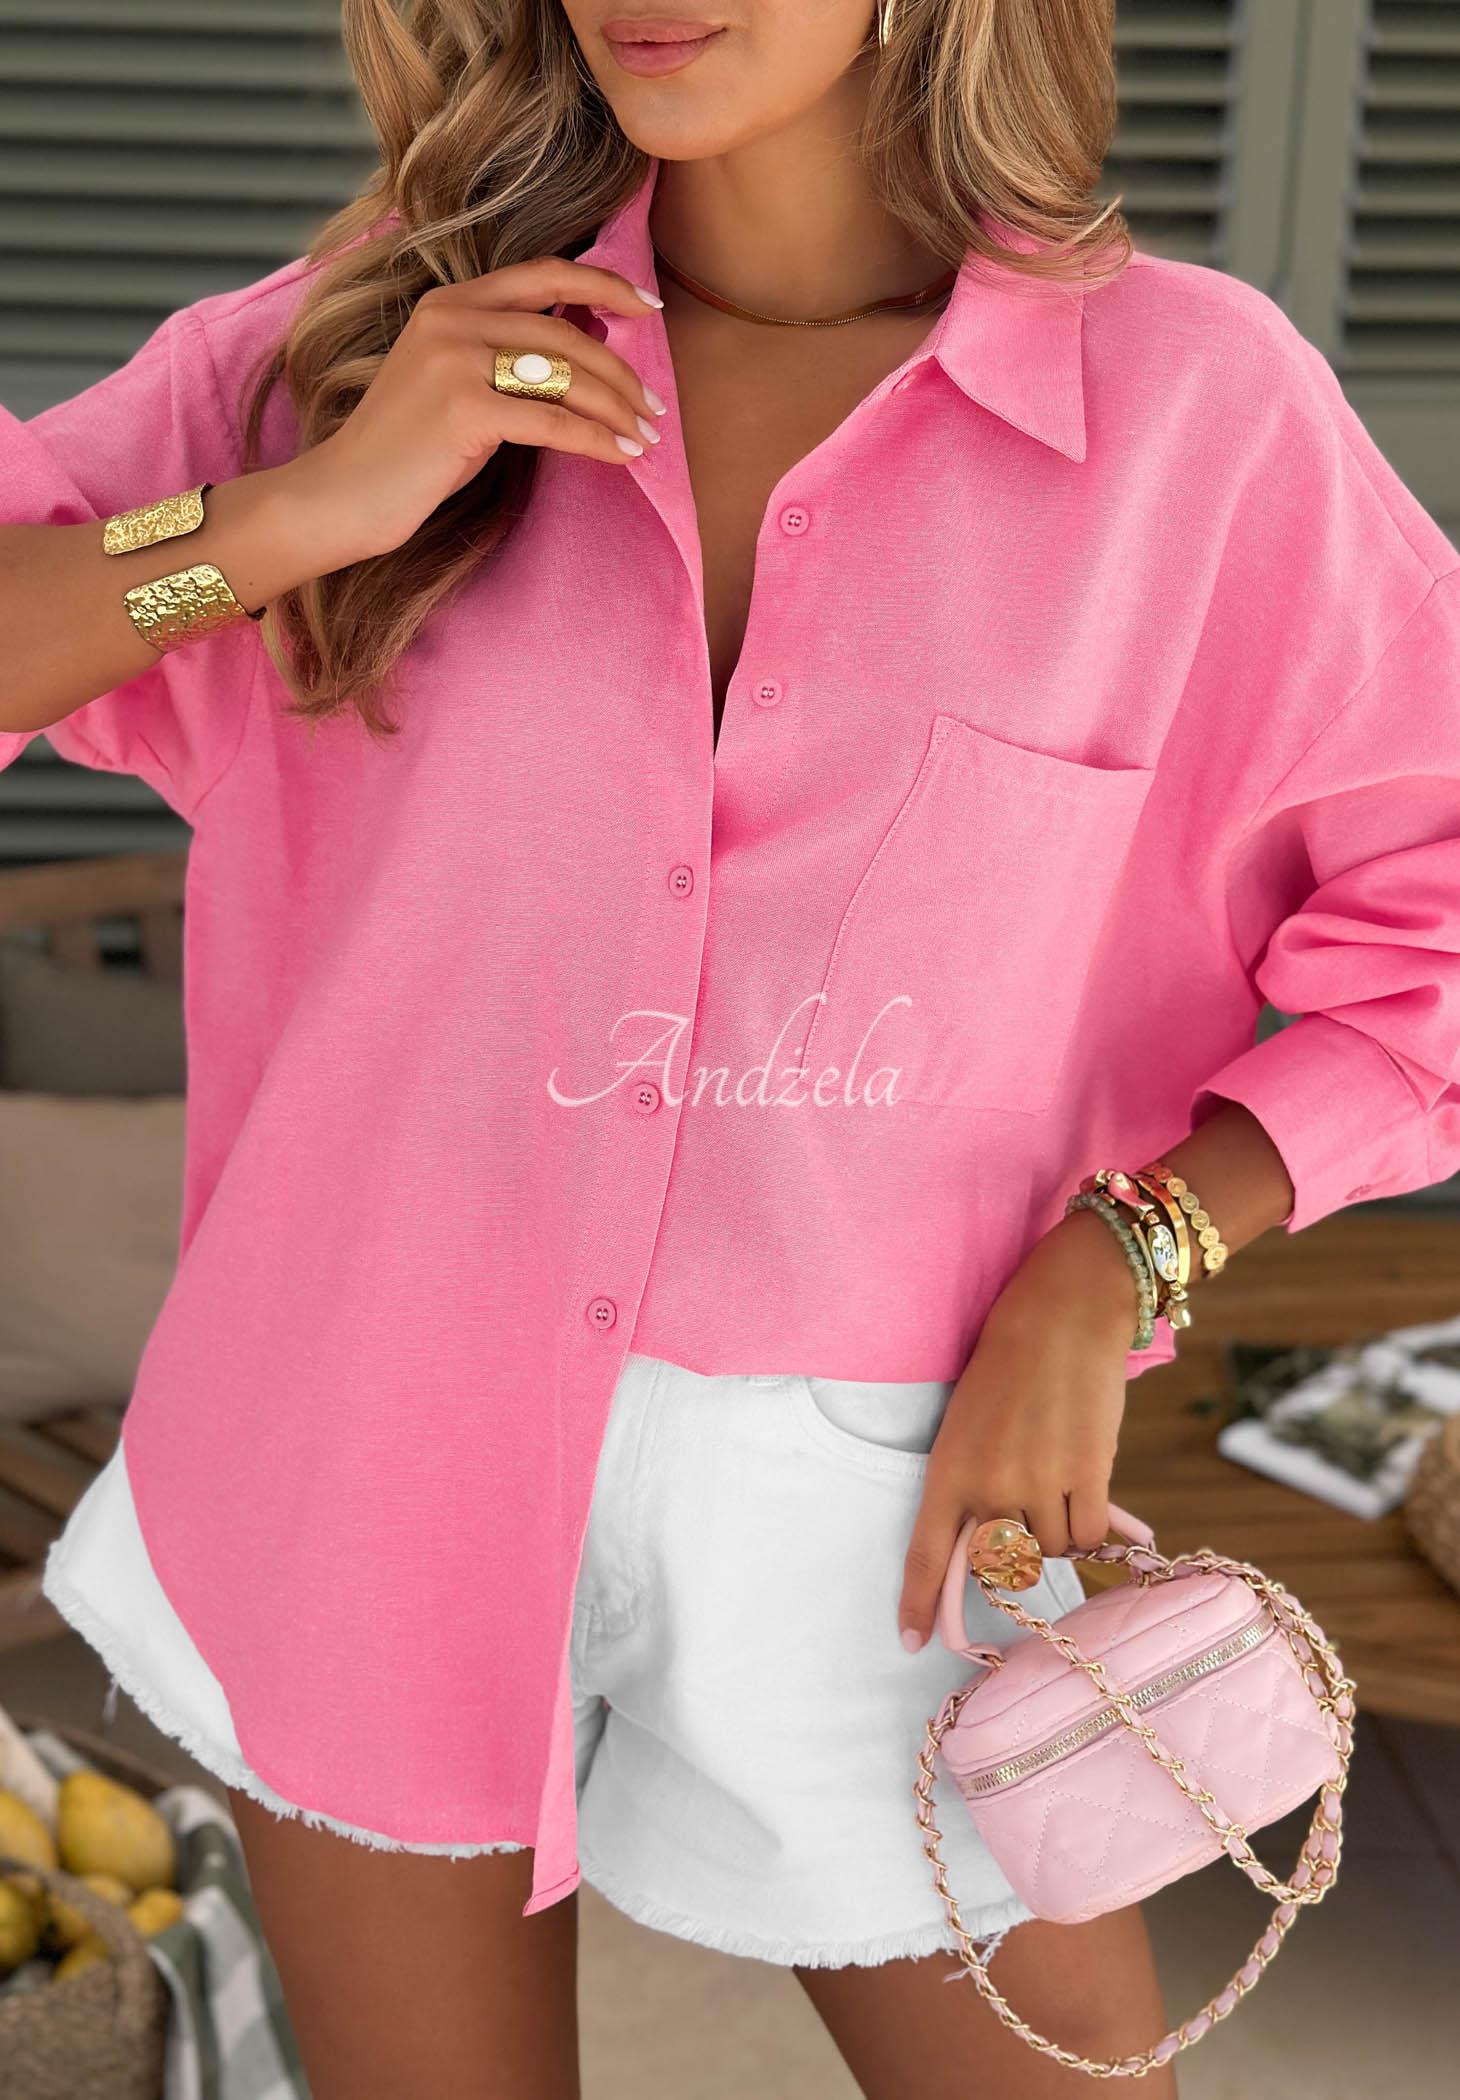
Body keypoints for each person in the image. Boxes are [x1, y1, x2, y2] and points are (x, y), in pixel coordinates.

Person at [4, 3, 1458, 2095]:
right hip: (364, 1445)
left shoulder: (1193, 420)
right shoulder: (367, 348)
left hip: (891, 1519)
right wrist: (304, 512)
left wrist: (1120, 1254)